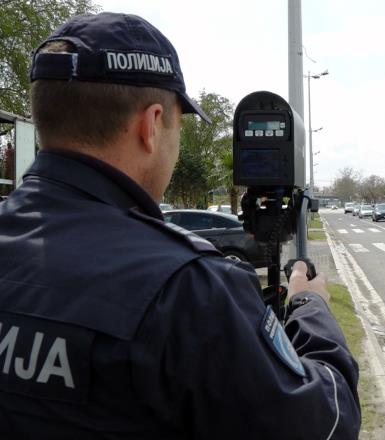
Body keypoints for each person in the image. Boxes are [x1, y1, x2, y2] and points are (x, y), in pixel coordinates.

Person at [0, 12, 360, 439]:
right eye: (179, 125)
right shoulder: (190, 290)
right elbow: (327, 423)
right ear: (151, 126)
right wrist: (309, 306)